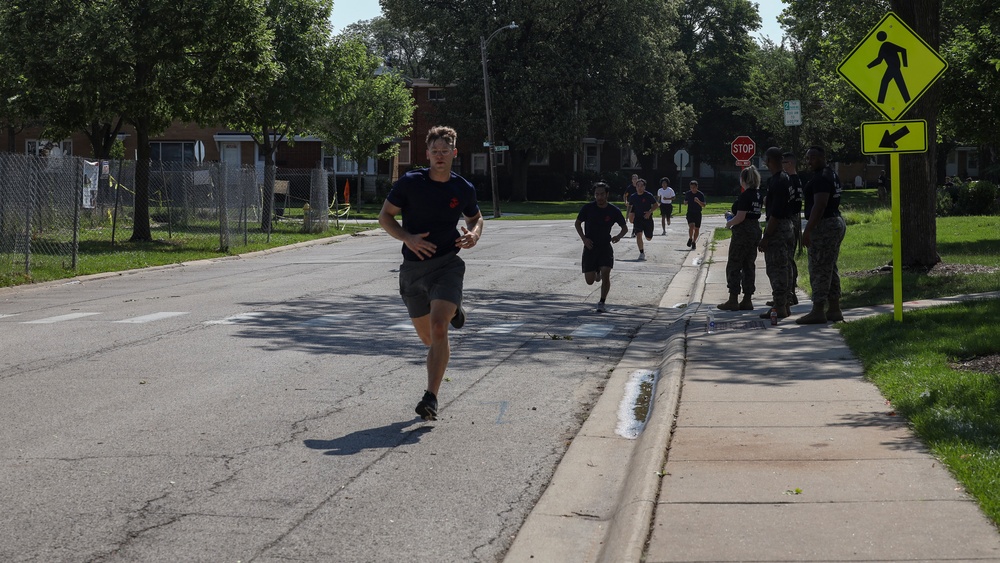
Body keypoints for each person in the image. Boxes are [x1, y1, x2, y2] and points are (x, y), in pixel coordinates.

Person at [378, 125, 484, 420]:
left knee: (439, 329)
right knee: (429, 340)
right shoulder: (411, 182)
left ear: (454, 153)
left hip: (447, 264)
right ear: (427, 154)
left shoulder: (463, 188)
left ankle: (431, 397)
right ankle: (453, 311)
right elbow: (385, 216)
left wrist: (474, 234)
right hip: (413, 269)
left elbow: (476, 217)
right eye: (434, 151)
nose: (440, 156)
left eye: (444, 151)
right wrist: (407, 237)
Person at [797, 145, 846, 324]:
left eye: (814, 157)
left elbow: (820, 205)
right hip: (834, 221)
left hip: (825, 225)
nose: (810, 161)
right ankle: (834, 309)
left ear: (823, 157)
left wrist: (807, 230)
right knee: (830, 267)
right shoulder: (830, 174)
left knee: (819, 268)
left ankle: (818, 310)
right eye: (808, 158)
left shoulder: (822, 177)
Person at [757, 147, 798, 319]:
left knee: (776, 267)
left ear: (770, 161)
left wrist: (766, 237)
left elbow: (776, 212)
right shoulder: (785, 178)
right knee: (785, 265)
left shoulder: (778, 181)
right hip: (787, 225)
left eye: (766, 159)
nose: (765, 162)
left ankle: (779, 306)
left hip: (778, 227)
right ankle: (785, 304)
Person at [575, 182, 628, 312]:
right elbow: (577, 224)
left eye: (602, 194)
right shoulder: (588, 208)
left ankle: (602, 302)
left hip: (605, 246)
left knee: (606, 273)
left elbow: (624, 228)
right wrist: (584, 239)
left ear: (607, 194)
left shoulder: (613, 210)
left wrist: (618, 236)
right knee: (590, 281)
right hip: (590, 246)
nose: (599, 197)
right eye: (597, 194)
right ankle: (596, 272)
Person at [718, 167, 763, 311]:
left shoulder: (745, 195)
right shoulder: (758, 195)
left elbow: (741, 217)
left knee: (734, 264)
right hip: (755, 230)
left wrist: (729, 222)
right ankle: (747, 298)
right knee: (749, 264)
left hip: (743, 232)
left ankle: (733, 298)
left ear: (744, 179)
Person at [628, 178, 658, 261]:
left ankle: (648, 235)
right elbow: (631, 208)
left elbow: (656, 205)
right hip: (638, 219)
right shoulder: (633, 197)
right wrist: (630, 217)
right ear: (636, 187)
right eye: (638, 186)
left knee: (649, 238)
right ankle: (641, 253)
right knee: (638, 235)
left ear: (644, 187)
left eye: (641, 186)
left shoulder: (648, 195)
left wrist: (649, 212)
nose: (639, 187)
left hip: (647, 219)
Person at [684, 180, 706, 249]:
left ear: (697, 187)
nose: (692, 189)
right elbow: (685, 201)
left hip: (698, 213)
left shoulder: (700, 194)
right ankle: (690, 238)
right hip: (690, 212)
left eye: (694, 187)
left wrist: (698, 201)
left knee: (697, 229)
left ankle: (694, 241)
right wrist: (685, 202)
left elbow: (704, 205)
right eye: (691, 187)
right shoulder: (688, 194)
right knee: (691, 226)